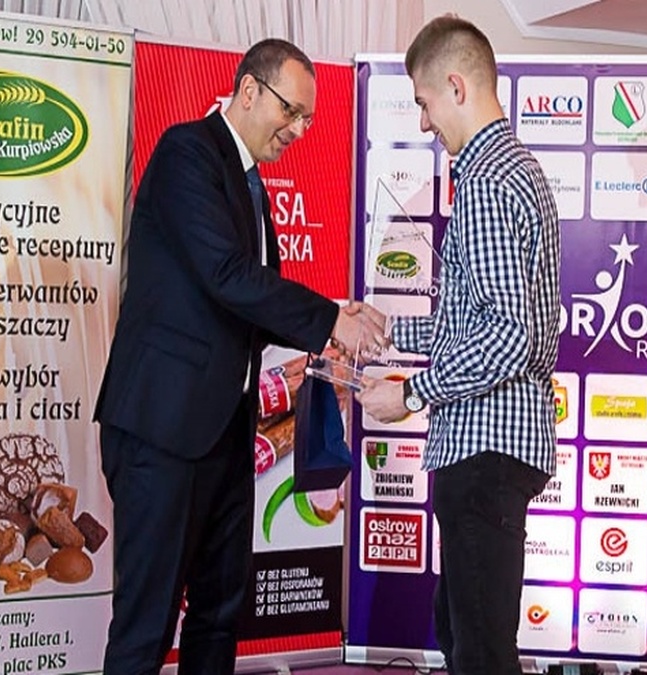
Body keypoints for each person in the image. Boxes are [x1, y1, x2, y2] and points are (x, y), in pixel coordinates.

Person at [94, 38, 386, 675]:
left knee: (220, 613)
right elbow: (226, 275)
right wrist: (329, 318)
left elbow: (247, 304)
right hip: (163, 430)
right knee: (147, 625)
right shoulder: (186, 153)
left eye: (308, 119)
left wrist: (332, 322)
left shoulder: (251, 185)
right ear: (248, 90)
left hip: (226, 433)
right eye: (291, 110)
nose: (299, 130)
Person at [355, 15, 561, 675]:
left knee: (479, 652)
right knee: (464, 633)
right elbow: (479, 322)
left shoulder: (487, 181)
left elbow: (507, 335)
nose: (423, 122)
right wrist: (383, 334)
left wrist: (411, 394)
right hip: (492, 447)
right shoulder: (513, 170)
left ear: (455, 86)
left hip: (484, 449)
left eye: (424, 102)